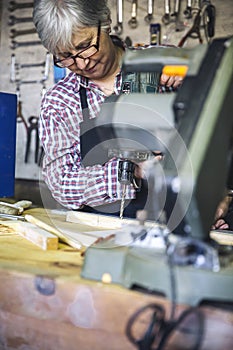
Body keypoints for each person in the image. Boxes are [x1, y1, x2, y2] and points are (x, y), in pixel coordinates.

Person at [33, 0, 182, 217]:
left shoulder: (162, 61)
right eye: (66, 56)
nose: (82, 64)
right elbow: (60, 183)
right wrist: (129, 171)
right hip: (104, 229)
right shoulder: (59, 102)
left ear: (105, 23)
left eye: (85, 46)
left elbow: (218, 128)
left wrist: (192, 77)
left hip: (176, 218)